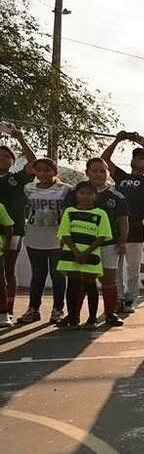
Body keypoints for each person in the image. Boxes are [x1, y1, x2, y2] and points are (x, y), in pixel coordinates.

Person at [101, 130, 144, 314]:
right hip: (117, 225)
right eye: (137, 157)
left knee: (133, 267)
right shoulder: (122, 177)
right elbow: (105, 160)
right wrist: (117, 140)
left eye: (143, 158)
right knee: (115, 265)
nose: (139, 159)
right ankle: (117, 298)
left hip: (135, 227)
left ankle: (130, 299)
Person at [64, 158, 129, 327]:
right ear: (87, 172)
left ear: (108, 173)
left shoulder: (117, 196)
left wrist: (122, 240)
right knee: (79, 280)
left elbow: (123, 220)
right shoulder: (74, 192)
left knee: (109, 279)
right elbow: (65, 217)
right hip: (81, 245)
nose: (99, 174)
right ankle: (73, 315)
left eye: (103, 171)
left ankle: (110, 313)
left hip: (109, 244)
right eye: (95, 171)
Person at [18, 158, 71, 324]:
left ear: (55, 172)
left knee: (57, 275)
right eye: (39, 170)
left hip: (57, 239)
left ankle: (58, 310)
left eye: (47, 170)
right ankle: (33, 309)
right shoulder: (29, 188)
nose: (42, 173)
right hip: (35, 238)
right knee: (38, 275)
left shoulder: (65, 190)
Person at [55, 181, 112, 329]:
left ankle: (92, 319)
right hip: (71, 255)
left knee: (90, 285)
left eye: (89, 193)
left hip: (91, 256)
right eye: (82, 193)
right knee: (72, 285)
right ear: (76, 195)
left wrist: (86, 252)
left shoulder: (101, 214)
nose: (85, 196)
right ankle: (73, 319)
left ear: (95, 196)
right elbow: (64, 233)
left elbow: (102, 235)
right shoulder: (69, 211)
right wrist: (75, 251)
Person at [0, 123, 39, 317]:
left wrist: (20, 138)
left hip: (12, 231)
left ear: (13, 162)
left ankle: (7, 310)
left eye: (7, 155)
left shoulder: (17, 179)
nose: (2, 157)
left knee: (7, 268)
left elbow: (34, 163)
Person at [0, 201, 12, 327]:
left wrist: (6, 246)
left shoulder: (0, 207)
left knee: (1, 284)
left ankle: (3, 314)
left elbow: (9, 227)